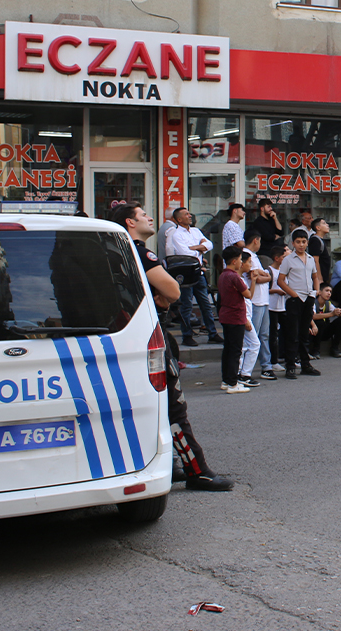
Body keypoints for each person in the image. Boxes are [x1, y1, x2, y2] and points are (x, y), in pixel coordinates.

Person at [109, 201, 233, 492]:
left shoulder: (115, 253)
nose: (149, 217)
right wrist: (163, 294)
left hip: (131, 334)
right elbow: (173, 291)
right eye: (142, 215)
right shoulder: (140, 251)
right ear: (129, 223)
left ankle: (167, 463)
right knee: (173, 406)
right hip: (152, 335)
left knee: (149, 404)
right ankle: (197, 470)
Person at [166, 207, 223, 347]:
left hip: (199, 272)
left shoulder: (196, 231)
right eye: (186, 214)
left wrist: (196, 247)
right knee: (187, 305)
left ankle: (212, 333)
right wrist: (199, 247)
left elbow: (208, 245)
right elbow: (184, 253)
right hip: (186, 274)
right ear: (179, 219)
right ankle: (187, 335)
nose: (190, 215)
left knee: (205, 304)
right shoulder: (176, 234)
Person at [276, 229, 322, 379]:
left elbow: (315, 276)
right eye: (298, 242)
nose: (301, 245)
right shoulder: (288, 260)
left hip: (308, 298)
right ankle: (290, 366)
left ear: (307, 242)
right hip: (295, 300)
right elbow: (281, 280)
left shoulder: (310, 259)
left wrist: (315, 291)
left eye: (304, 241)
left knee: (304, 334)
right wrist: (293, 294)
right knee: (292, 334)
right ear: (293, 243)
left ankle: (305, 364)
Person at [217, 247, 258, 393]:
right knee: (235, 351)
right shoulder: (234, 277)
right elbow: (248, 295)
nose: (241, 263)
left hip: (226, 315)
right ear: (234, 261)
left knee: (228, 350)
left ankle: (226, 380)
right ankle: (233, 383)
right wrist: (253, 282)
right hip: (236, 316)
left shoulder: (223, 275)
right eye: (240, 260)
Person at [242, 230, 276, 382]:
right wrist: (266, 276)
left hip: (263, 299)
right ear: (256, 240)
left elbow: (264, 275)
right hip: (254, 300)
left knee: (264, 335)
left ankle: (266, 366)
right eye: (260, 241)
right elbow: (254, 276)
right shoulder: (245, 254)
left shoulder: (254, 256)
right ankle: (244, 369)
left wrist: (265, 275)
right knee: (252, 336)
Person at [266, 244, 289, 373]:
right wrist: (276, 291)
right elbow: (264, 290)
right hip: (272, 306)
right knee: (273, 334)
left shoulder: (284, 271)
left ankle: (286, 356)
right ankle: (273, 360)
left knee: (286, 331)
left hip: (282, 306)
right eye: (283, 257)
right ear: (276, 258)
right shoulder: (269, 271)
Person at [310, 284, 341, 358]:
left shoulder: (328, 303)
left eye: (330, 291)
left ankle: (335, 348)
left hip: (325, 332)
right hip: (314, 332)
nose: (329, 293)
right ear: (319, 292)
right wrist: (332, 314)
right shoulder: (313, 302)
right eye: (326, 291)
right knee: (320, 322)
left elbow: (335, 311)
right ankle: (315, 349)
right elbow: (313, 316)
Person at [308, 218, 332, 289]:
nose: (327, 225)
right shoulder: (315, 240)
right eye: (324, 223)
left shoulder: (320, 240)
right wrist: (319, 277)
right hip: (318, 277)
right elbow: (315, 260)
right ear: (318, 227)